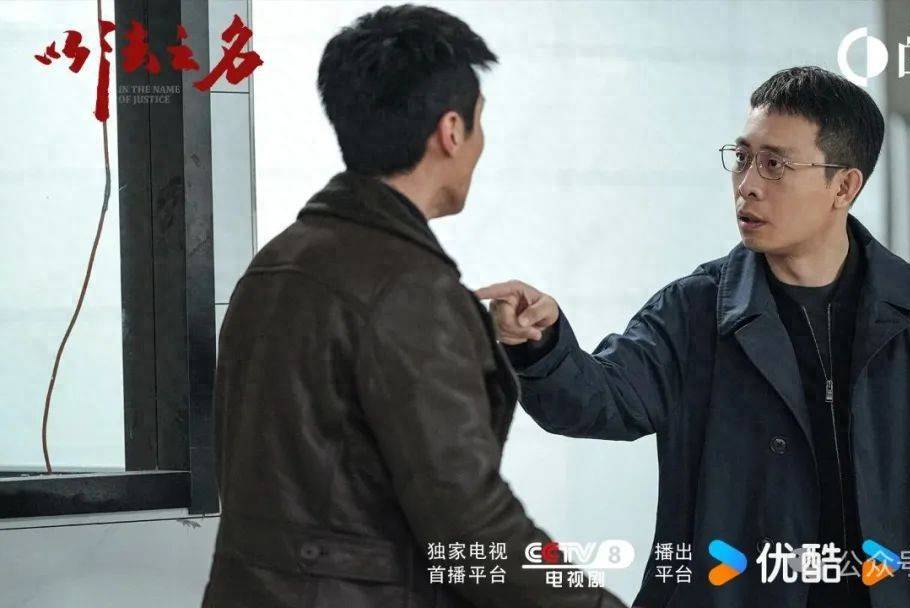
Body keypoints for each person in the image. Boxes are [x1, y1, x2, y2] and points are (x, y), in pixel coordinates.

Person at [477, 66, 910, 608]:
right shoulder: (694, 311)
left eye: (774, 164)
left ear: (844, 187)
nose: (747, 183)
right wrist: (539, 344)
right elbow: (601, 400)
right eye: (743, 157)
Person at [202, 5, 626, 608]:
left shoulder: (277, 263)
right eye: (479, 122)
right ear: (451, 131)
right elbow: (472, 526)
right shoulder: (409, 289)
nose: (480, 144)